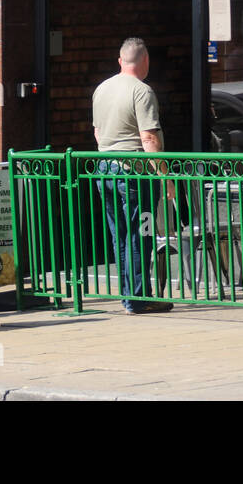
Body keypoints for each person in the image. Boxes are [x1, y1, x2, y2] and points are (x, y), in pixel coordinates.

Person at [92, 37, 172, 315]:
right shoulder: (142, 91)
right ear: (145, 60)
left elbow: (98, 133)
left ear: (120, 61)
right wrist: (165, 177)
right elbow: (148, 138)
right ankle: (139, 299)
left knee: (120, 236)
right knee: (141, 235)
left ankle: (129, 296)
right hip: (136, 174)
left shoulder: (102, 89)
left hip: (105, 169)